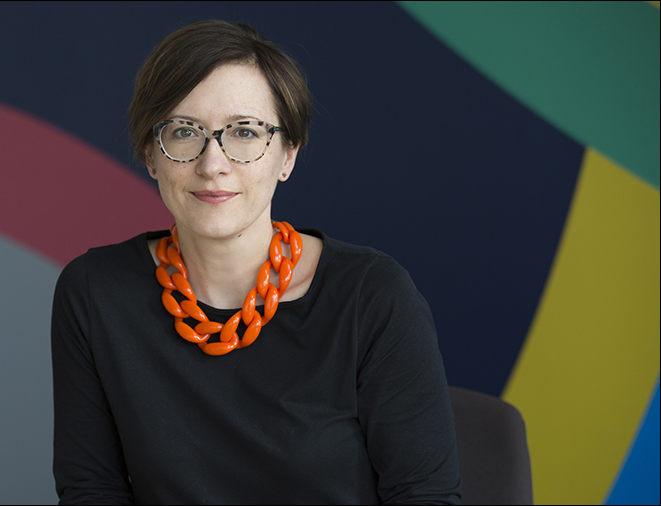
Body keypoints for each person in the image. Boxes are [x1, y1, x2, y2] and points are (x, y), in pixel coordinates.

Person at [52, 20, 461, 504]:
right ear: (150, 154)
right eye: (185, 131)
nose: (212, 163)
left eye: (244, 132)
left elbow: (425, 495)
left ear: (288, 154)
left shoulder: (373, 296)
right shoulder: (95, 292)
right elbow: (91, 491)